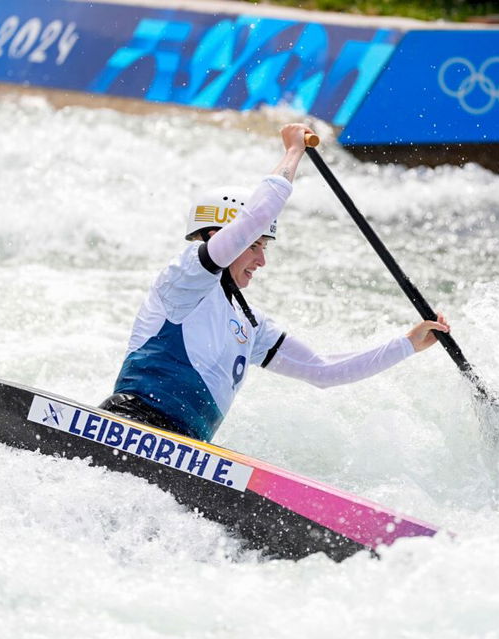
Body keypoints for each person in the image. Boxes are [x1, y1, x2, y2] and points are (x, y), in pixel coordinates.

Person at [100, 123, 449, 442]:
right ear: (216, 235)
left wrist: (408, 344)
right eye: (254, 245)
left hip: (188, 448)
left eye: (263, 247)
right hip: (128, 423)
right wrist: (294, 150)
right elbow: (258, 215)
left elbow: (324, 371)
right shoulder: (186, 277)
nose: (261, 260)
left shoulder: (251, 325)